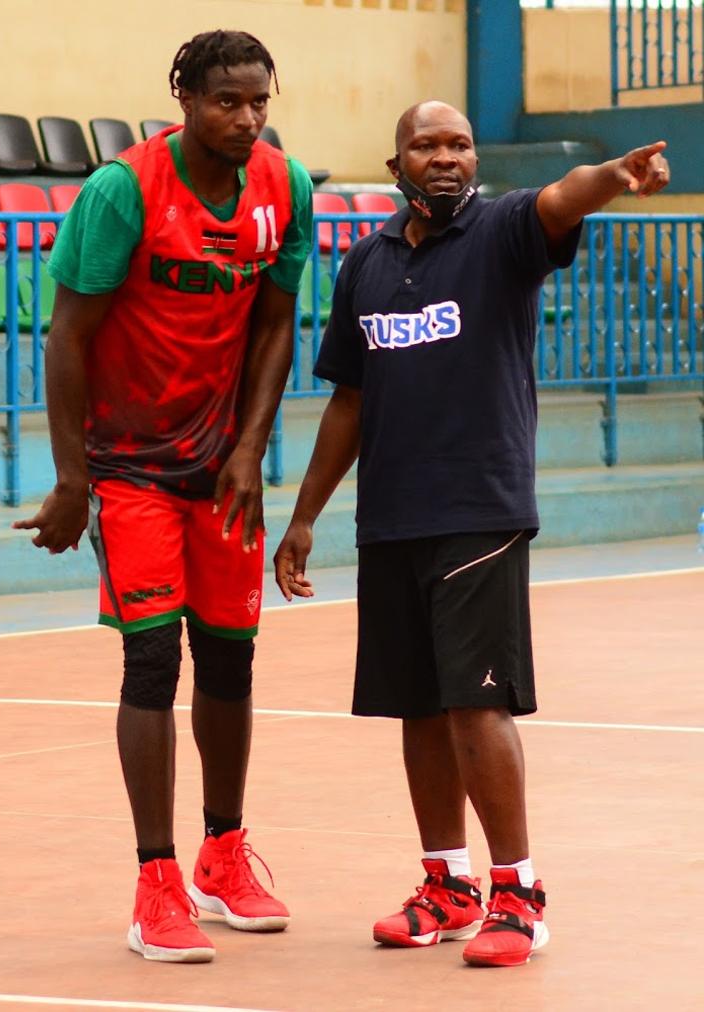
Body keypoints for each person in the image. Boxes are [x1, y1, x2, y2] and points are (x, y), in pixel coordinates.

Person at [274, 101, 669, 968]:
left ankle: (518, 893)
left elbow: (563, 196)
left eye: (459, 144)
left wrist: (613, 178)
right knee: (418, 706)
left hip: (479, 510)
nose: (446, 157)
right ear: (397, 166)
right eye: (427, 145)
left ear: (476, 160)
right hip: (391, 516)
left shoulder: (502, 232)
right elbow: (349, 399)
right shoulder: (366, 265)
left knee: (474, 704)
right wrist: (304, 517)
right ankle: (446, 885)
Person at [14, 30, 312, 963]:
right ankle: (156, 883)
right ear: (184, 99)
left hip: (222, 468)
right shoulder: (123, 191)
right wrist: (73, 479)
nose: (247, 118)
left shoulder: (286, 187)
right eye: (227, 101)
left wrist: (250, 449)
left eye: (259, 102)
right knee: (152, 661)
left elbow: (276, 324)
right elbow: (67, 336)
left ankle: (224, 854)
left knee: (231, 660)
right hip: (130, 464)